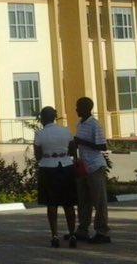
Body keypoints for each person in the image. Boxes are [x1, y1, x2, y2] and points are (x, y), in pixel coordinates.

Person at [33, 106, 78, 248]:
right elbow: (72, 149)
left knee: (51, 204)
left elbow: (37, 154)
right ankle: (72, 234)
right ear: (55, 117)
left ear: (42, 118)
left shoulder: (39, 134)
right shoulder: (66, 131)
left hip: (48, 168)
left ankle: (54, 235)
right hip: (66, 166)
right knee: (69, 203)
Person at [72, 96, 111, 244]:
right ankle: (82, 229)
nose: (76, 110)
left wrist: (81, 142)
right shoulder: (80, 124)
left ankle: (102, 231)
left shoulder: (94, 124)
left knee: (99, 201)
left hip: (95, 166)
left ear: (86, 109)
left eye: (78, 107)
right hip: (83, 166)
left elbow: (102, 146)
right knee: (83, 201)